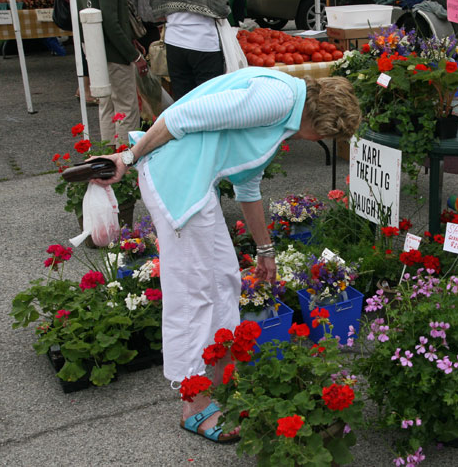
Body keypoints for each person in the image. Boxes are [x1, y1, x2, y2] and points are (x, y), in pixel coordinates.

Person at [95, 67, 362, 442]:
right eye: (328, 136)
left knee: (224, 282)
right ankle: (194, 405)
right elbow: (180, 116)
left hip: (194, 181)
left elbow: (247, 186)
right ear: (321, 122)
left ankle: (219, 385)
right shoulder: (278, 99)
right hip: (177, 180)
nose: (320, 140)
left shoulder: (283, 116)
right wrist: (129, 156)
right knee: (195, 296)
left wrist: (265, 250)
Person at [77, 0, 147, 146]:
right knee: (126, 108)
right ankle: (126, 162)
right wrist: (134, 55)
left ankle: (108, 157)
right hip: (112, 51)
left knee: (107, 106)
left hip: (96, 46)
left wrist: (129, 39)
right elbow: (111, 21)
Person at [150, 0, 231, 100]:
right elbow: (221, 8)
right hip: (204, 43)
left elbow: (157, 8)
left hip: (174, 43)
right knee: (209, 100)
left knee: (182, 101)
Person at [54, 0, 96, 105]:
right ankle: (86, 89)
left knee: (84, 47)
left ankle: (84, 88)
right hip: (77, 9)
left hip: (76, 8)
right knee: (85, 48)